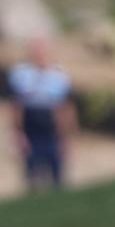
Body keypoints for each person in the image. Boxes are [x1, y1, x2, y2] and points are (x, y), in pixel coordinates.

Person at [8, 37, 77, 190]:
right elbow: (16, 106)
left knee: (57, 177)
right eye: (36, 52)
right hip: (31, 130)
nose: (39, 56)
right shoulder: (21, 75)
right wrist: (17, 133)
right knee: (32, 177)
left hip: (52, 130)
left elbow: (66, 108)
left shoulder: (59, 76)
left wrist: (66, 137)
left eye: (42, 52)